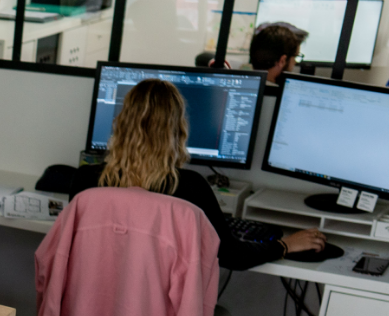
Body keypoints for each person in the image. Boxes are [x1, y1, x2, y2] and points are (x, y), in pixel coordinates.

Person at [68, 78, 324, 270]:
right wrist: (285, 244)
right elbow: (231, 256)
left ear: (119, 123)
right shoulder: (189, 188)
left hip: (91, 314)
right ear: (178, 130)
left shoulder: (87, 182)